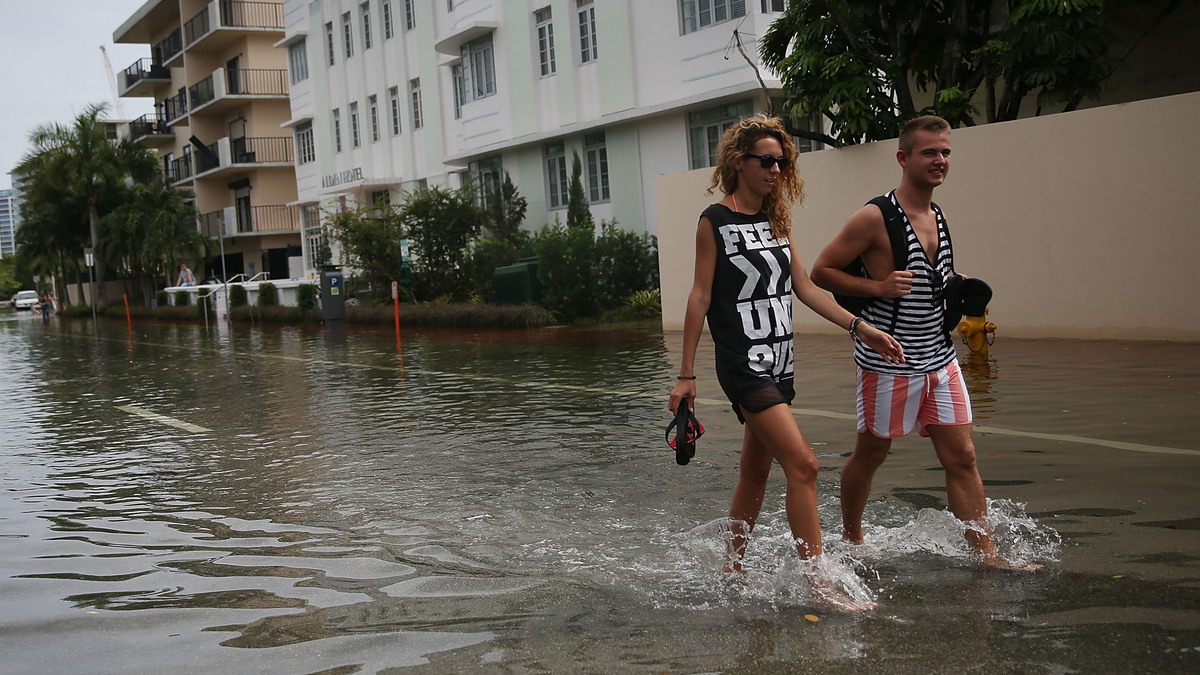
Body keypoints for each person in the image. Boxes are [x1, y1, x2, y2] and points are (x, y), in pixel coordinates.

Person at [668, 114, 904, 610]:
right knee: (805, 465)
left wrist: (861, 327)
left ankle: (731, 568)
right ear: (740, 163)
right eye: (767, 161)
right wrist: (686, 376)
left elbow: (806, 287)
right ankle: (819, 586)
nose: (777, 169)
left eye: (782, 162)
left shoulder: (777, 221)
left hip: (779, 363)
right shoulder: (715, 220)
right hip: (744, 365)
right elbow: (699, 296)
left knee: (755, 473)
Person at [810, 115, 1038, 571]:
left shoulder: (939, 215)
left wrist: (955, 282)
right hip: (888, 359)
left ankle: (987, 556)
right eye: (929, 152)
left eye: (946, 152)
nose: (940, 160)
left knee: (963, 454)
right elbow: (820, 272)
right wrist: (878, 288)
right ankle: (852, 537)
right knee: (872, 453)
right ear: (903, 158)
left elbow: (929, 278)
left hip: (939, 355)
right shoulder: (874, 216)